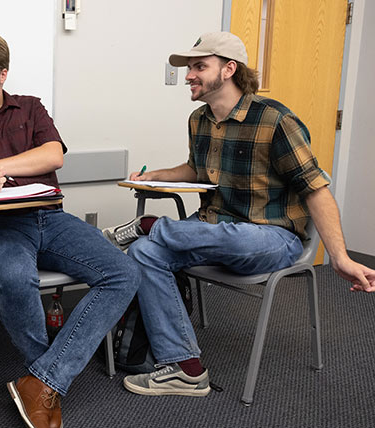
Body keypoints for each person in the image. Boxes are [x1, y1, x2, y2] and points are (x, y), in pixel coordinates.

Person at [101, 31, 375, 397]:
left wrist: (339, 256)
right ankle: (185, 368)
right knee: (143, 251)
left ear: (229, 69)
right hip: (212, 228)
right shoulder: (199, 120)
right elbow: (196, 170)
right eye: (189, 68)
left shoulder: (275, 121)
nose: (188, 76)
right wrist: (155, 176)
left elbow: (316, 189)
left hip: (270, 237)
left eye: (199, 66)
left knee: (240, 238)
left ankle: (152, 226)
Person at [0, 32, 141, 428]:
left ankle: (42, 382)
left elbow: (53, 154)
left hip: (50, 219)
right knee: (16, 278)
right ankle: (46, 380)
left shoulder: (31, 108)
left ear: (2, 74)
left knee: (123, 273)